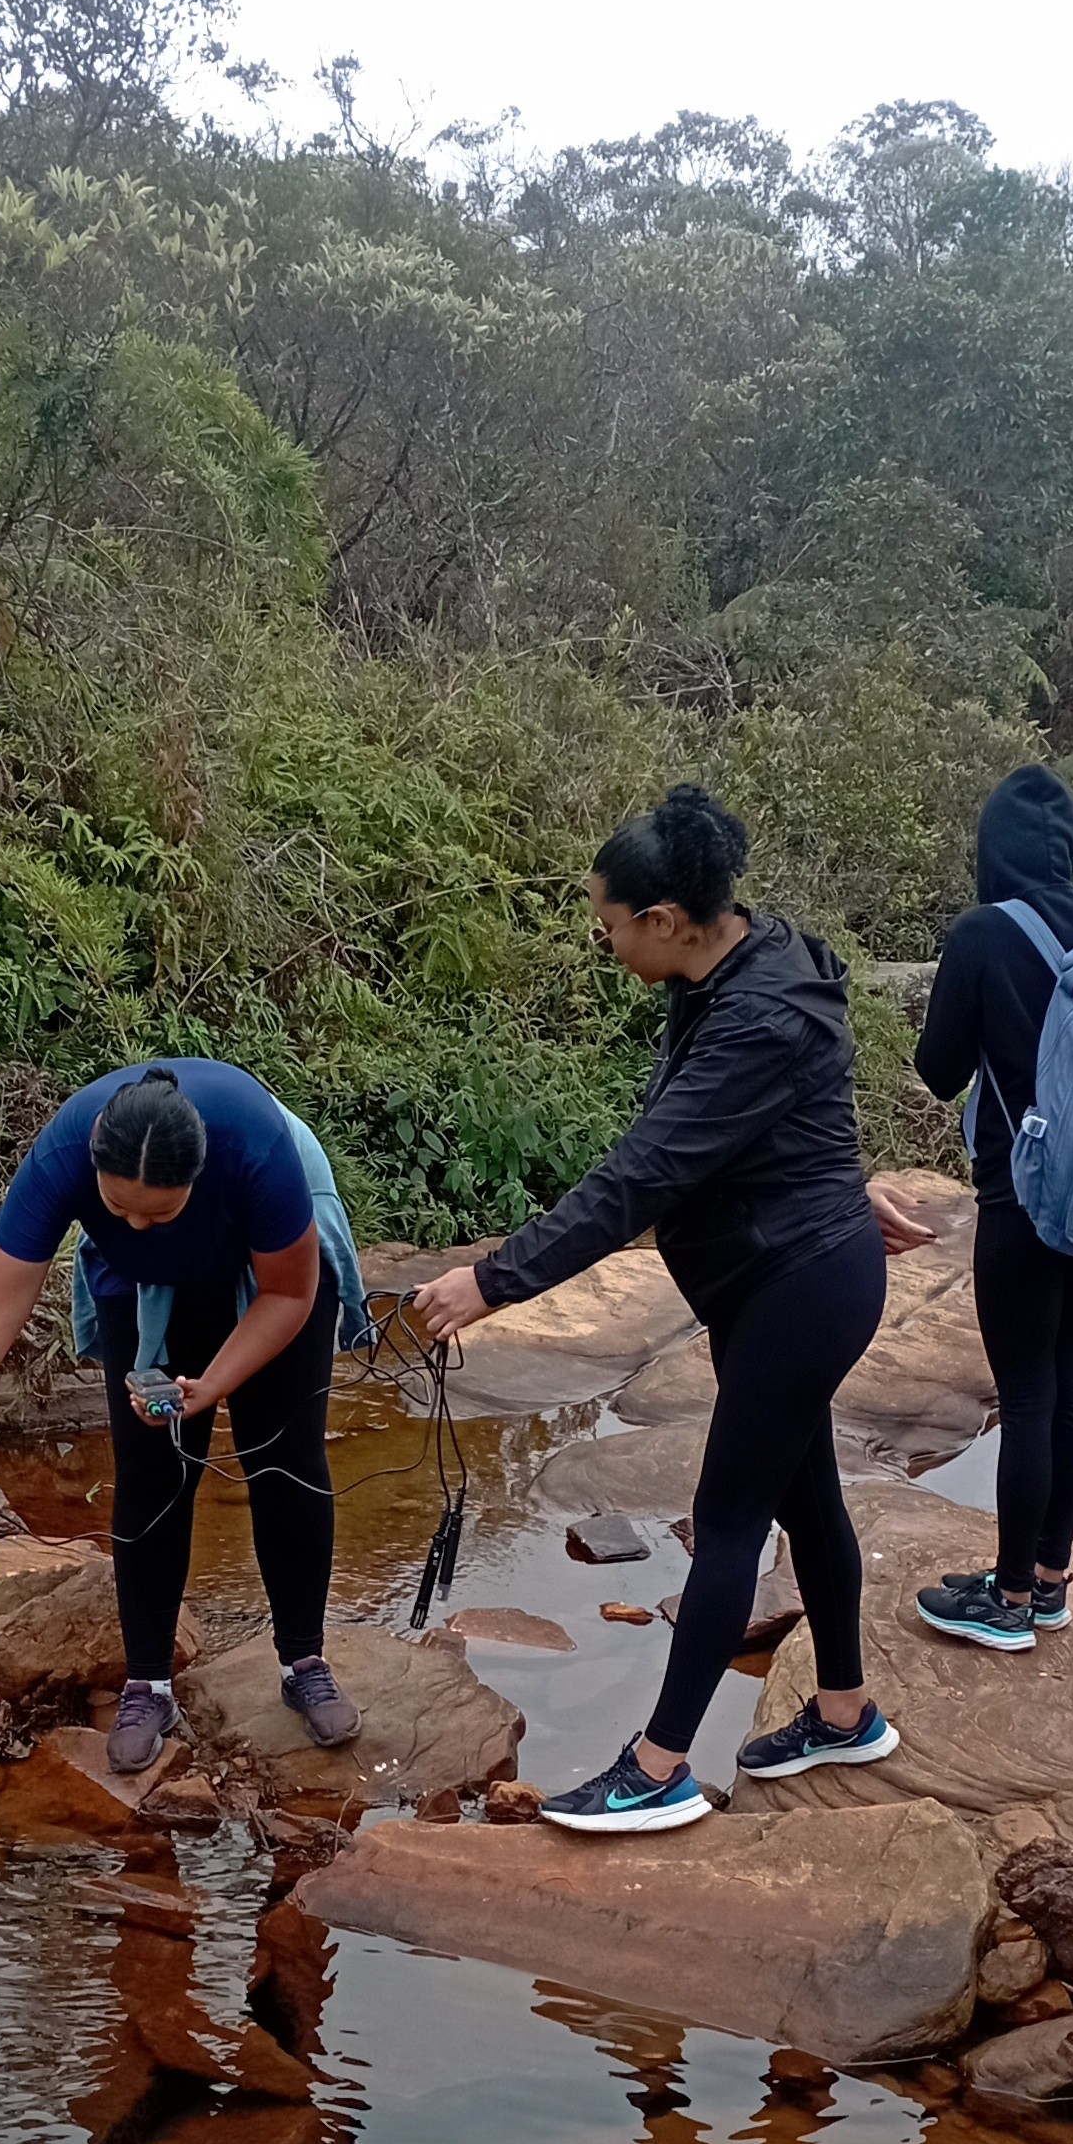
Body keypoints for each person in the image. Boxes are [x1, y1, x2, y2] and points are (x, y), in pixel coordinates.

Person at [410, 785, 899, 1833]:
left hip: (797, 1288)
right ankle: (847, 1711)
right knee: (807, 1500)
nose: (606, 944)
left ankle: (659, 1766)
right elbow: (790, 1117)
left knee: (727, 1524)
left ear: (665, 921)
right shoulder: (742, 970)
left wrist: (491, 1280)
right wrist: (842, 1182)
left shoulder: (757, 1013)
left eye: (608, 928)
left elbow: (641, 1177)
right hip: (792, 1270)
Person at [0, 1059, 372, 1771]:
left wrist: (211, 1383)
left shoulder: (258, 1150)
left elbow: (287, 1295)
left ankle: (303, 1662)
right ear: (95, 1168)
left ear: (198, 1176)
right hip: (140, 1285)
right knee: (151, 1466)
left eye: (159, 1212)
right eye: (118, 1209)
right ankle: (147, 1683)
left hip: (273, 1268)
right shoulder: (62, 1156)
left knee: (283, 1455)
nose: (139, 1224)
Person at [903, 765, 1073, 1652]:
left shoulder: (981, 934)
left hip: (1020, 1196)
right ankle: (1049, 1582)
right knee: (1065, 1392)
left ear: (992, 850)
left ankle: (1008, 1601)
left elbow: (939, 1071)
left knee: (1023, 1399)